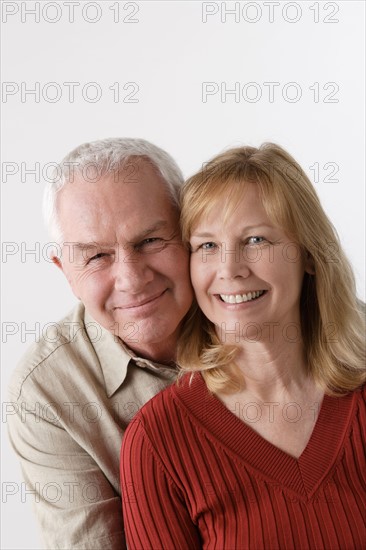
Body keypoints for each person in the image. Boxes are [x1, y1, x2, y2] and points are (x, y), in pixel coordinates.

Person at [121, 142, 366, 549]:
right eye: (207, 246)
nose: (230, 269)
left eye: (256, 240)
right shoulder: (158, 442)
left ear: (309, 254)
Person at [8, 137, 193, 549]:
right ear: (65, 271)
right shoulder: (45, 393)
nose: (131, 278)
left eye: (150, 241)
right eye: (96, 257)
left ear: (191, 230)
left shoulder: (262, 310)